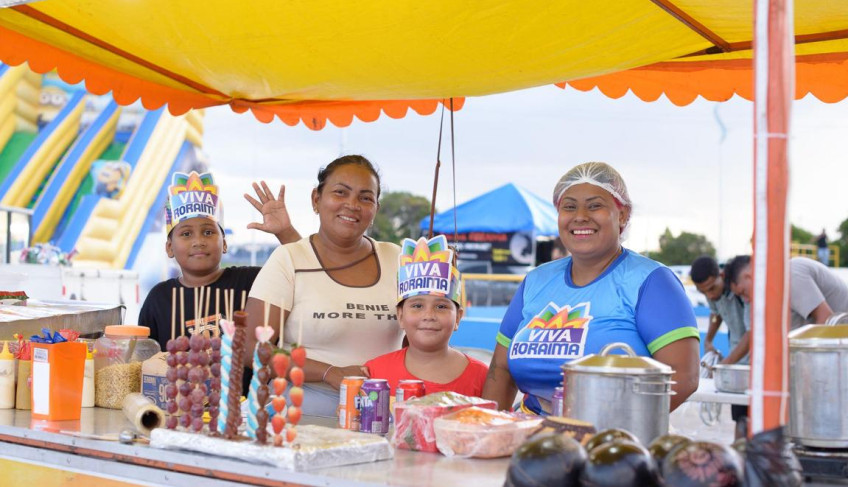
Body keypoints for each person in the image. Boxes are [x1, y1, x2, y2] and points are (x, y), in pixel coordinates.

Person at [483, 162, 700, 414]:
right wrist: (487, 429)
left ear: (623, 215)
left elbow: (683, 377)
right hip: (531, 436)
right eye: (569, 207)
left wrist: (611, 432)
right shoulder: (536, 281)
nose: (581, 216)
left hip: (611, 442)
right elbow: (501, 369)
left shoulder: (651, 281)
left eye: (595, 205)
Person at [246, 155, 404, 417]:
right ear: (316, 199)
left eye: (366, 198)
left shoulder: (397, 259)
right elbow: (251, 347)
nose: (352, 205)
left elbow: (418, 341)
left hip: (380, 414)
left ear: (376, 208)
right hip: (298, 414)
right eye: (340, 192)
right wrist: (329, 373)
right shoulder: (289, 259)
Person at [139, 172, 296, 349]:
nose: (198, 241)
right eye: (186, 234)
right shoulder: (159, 298)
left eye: (208, 232)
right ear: (169, 247)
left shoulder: (252, 281)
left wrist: (285, 231)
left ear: (224, 243)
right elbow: (146, 358)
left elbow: (306, 271)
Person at [365, 235, 488, 397]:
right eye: (417, 306)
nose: (429, 315)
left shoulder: (483, 377)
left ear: (458, 318)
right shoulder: (374, 373)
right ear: (400, 315)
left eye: (441, 306)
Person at [690, 255, 750, 435]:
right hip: (736, 358)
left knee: (754, 414)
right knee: (740, 417)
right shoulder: (711, 293)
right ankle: (740, 451)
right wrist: (709, 339)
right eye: (704, 292)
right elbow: (716, 314)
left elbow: (752, 333)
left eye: (712, 288)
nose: (710, 295)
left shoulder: (741, 291)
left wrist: (725, 364)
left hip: (751, 361)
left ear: (722, 276)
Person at [725, 254, 848, 328]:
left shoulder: (788, 275)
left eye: (743, 292)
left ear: (749, 277)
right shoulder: (776, 293)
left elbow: (826, 319)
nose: (746, 300)